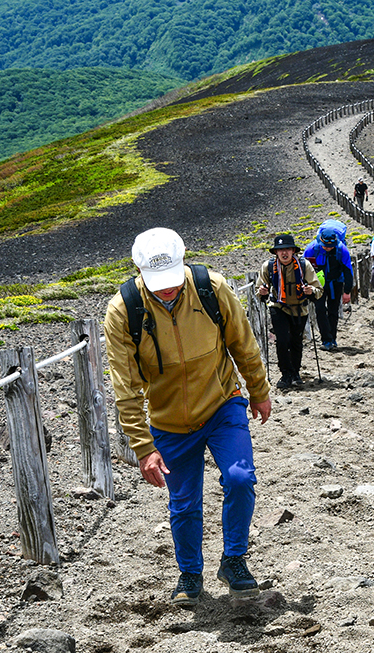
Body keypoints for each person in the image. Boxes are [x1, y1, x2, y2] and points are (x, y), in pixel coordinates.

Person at [104, 228, 272, 608]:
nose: (167, 290)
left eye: (172, 281)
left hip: (221, 402)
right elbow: (125, 387)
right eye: (157, 283)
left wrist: (258, 391)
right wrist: (143, 448)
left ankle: (234, 559)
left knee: (240, 478)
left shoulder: (211, 287)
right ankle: (190, 573)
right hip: (168, 420)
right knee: (183, 503)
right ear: (137, 269)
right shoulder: (122, 311)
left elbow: (242, 342)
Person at [257, 234, 323, 389]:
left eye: (287, 249)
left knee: (296, 342)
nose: (284, 253)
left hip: (300, 308)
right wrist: (262, 292)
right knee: (282, 340)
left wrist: (310, 290)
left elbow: (318, 289)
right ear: (275, 252)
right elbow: (259, 290)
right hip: (278, 306)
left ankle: (295, 372)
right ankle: (286, 373)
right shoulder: (268, 266)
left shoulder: (304, 265)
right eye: (280, 250)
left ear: (293, 250)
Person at [303, 226, 353, 351]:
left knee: (333, 310)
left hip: (336, 283)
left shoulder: (342, 250)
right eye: (325, 246)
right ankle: (326, 339)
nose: (328, 248)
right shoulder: (311, 249)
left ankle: (332, 339)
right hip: (317, 285)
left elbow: (348, 271)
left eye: (331, 246)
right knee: (320, 309)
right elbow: (303, 269)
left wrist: (347, 291)